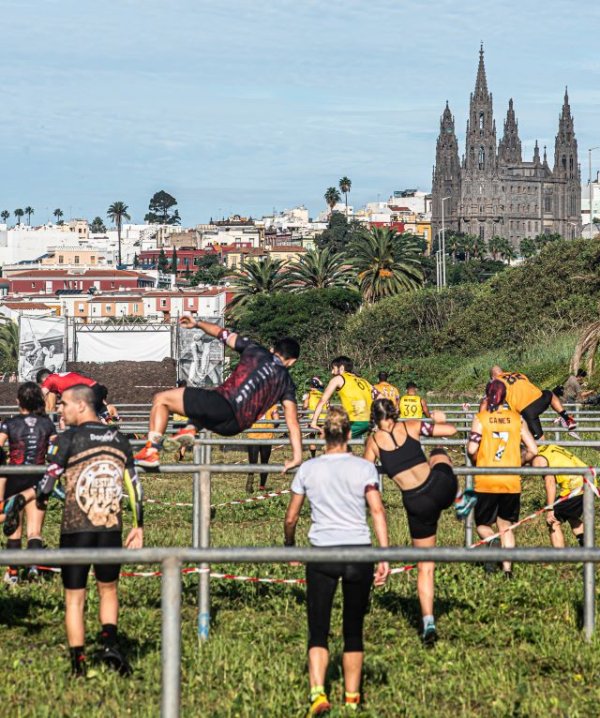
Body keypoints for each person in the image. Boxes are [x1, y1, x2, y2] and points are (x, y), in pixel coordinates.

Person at [3, 384, 144, 676]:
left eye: (64, 404)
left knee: (74, 597)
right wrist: (138, 525)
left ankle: (78, 664)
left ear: (81, 405)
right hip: (110, 526)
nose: (59, 409)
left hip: (75, 528)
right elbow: (134, 486)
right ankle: (110, 646)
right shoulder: (119, 438)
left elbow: (47, 484)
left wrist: (21, 500)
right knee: (108, 590)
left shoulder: (67, 439)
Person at [284, 407, 389, 715]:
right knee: (353, 628)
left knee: (318, 627)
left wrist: (289, 545)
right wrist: (383, 554)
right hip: (359, 552)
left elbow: (291, 517)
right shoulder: (364, 469)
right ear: (347, 435)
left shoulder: (308, 469)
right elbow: (378, 512)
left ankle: (318, 693)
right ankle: (352, 697)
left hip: (322, 552)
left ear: (324, 434)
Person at [134, 317, 302, 471]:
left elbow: (221, 333)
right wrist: (297, 457)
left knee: (161, 399)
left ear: (273, 349)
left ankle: (151, 451)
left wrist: (197, 323)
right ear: (293, 361)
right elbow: (292, 423)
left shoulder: (255, 350)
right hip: (235, 426)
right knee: (201, 411)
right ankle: (190, 429)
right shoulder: (287, 383)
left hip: (222, 404)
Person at [364, 398, 459, 646]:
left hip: (415, 502)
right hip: (438, 487)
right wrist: (438, 420)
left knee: (425, 566)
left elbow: (364, 472)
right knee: (439, 454)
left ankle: (428, 621)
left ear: (374, 418)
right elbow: (451, 431)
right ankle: (459, 500)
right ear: (395, 413)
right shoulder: (411, 425)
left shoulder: (373, 442)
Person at [467, 379, 538, 578]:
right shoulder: (517, 419)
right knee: (505, 526)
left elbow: (472, 448)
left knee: (482, 525)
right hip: (511, 480)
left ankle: (491, 541)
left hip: (486, 479)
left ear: (487, 396)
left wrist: (476, 460)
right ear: (505, 396)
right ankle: (507, 570)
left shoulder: (481, 418)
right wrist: (520, 461)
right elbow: (533, 449)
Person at [0, 382, 56, 585]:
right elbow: (54, 451)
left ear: (18, 401)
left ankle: (13, 573)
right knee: (35, 531)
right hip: (39, 478)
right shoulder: (47, 424)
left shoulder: (10, 423)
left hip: (15, 477)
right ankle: (34, 569)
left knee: (14, 529)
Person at [488, 365, 576, 439]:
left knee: (541, 441)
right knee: (550, 394)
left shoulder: (496, 382)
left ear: (492, 377)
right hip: (540, 398)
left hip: (527, 410)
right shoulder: (517, 374)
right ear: (502, 371)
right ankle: (567, 419)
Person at [530, 444, 589, 548]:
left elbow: (550, 483)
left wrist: (550, 509)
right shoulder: (549, 446)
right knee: (572, 517)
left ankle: (560, 558)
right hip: (588, 480)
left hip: (575, 487)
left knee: (553, 520)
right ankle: (588, 550)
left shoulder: (539, 459)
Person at [309, 357, 374, 440]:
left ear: (341, 368)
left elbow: (323, 400)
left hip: (356, 421)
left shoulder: (338, 379)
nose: (332, 372)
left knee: (330, 442)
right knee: (342, 443)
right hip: (369, 420)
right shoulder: (363, 380)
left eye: (333, 368)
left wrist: (314, 422)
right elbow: (380, 397)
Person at [36, 369, 109, 420]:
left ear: (43, 380)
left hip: (88, 390)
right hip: (95, 387)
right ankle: (115, 425)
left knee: (86, 416)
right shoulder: (60, 378)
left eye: (42, 384)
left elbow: (41, 395)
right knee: (103, 412)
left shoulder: (49, 380)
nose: (43, 386)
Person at [245, 404, 279, 493]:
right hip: (258, 435)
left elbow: (276, 418)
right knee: (258, 462)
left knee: (259, 461)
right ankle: (255, 484)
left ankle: (257, 484)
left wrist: (275, 423)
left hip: (262, 436)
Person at [302, 377, 328, 458]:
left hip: (312, 419)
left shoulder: (309, 394)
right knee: (322, 440)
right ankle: (323, 457)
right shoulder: (324, 395)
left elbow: (305, 406)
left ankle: (313, 457)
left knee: (312, 439)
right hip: (323, 419)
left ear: (311, 385)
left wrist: (304, 404)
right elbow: (328, 406)